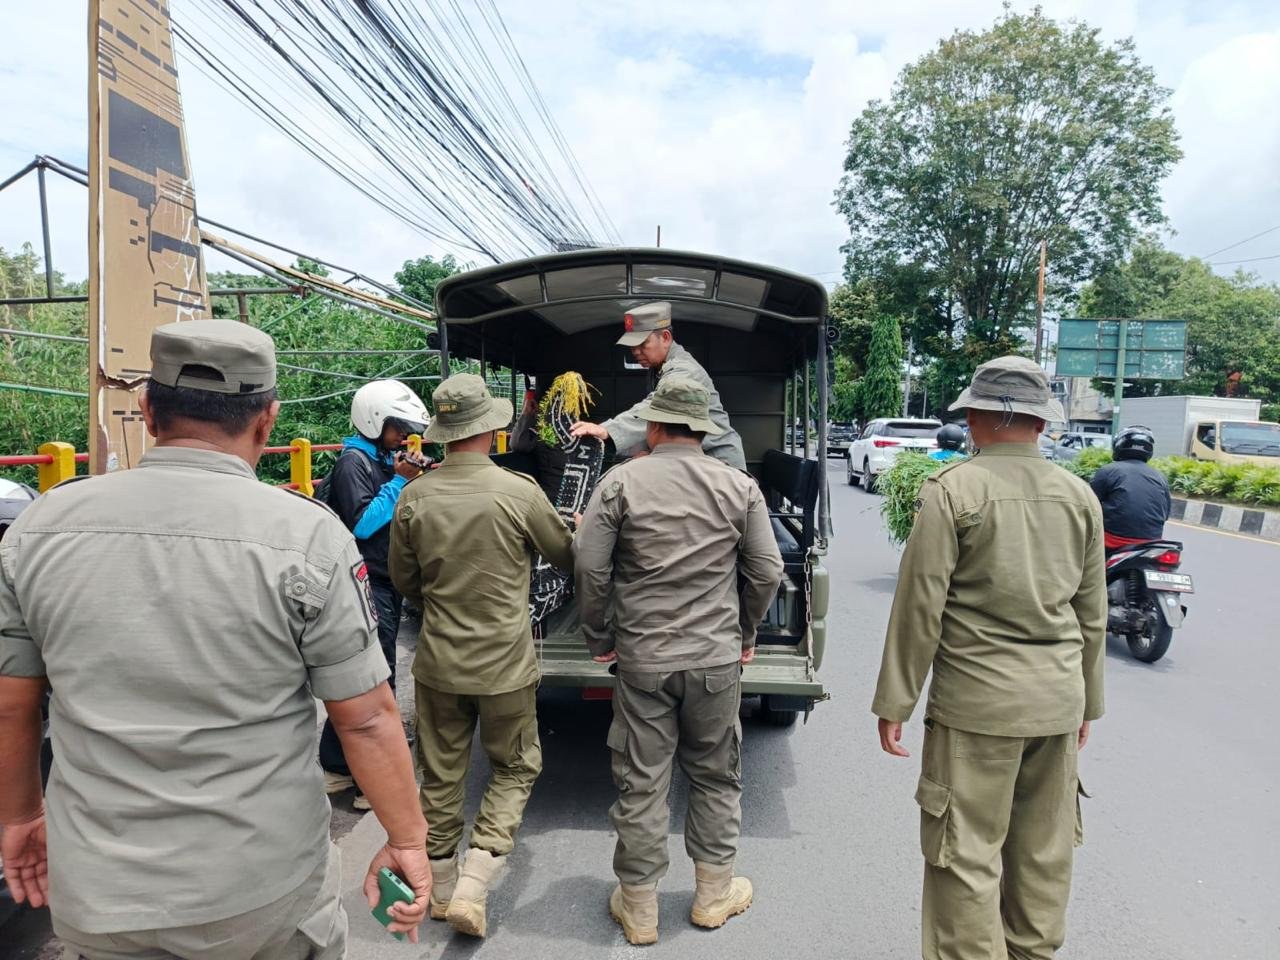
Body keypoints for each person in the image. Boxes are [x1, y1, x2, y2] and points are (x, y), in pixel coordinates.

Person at [0, 320, 430, 958]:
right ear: (267, 422)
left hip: (96, 889)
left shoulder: (37, 528)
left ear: (148, 410)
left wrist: (21, 818)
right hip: (260, 892)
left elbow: (12, 706)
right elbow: (366, 719)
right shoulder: (308, 537)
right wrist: (407, 840)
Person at [871, 355, 1106, 960]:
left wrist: (896, 701)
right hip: (1057, 703)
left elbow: (920, 606)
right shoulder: (1079, 495)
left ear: (976, 417)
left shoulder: (953, 490)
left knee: (965, 853)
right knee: (1044, 853)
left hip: (977, 708)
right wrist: (1088, 704)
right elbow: (1091, 614)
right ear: (1041, 423)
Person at [574, 376, 784, 946]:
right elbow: (767, 571)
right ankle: (713, 897)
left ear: (654, 427)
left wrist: (599, 636)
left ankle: (639, 909)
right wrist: (744, 632)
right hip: (715, 659)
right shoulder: (739, 486)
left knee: (642, 781)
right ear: (703, 430)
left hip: (642, 660)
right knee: (715, 775)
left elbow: (589, 566)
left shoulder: (620, 483)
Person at [389, 373, 575, 939]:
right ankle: (477, 878)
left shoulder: (414, 496)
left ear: (444, 433)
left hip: (438, 664)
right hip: (504, 666)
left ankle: (441, 887)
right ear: (492, 430)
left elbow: (405, 581)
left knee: (441, 773)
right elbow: (566, 557)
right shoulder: (520, 492)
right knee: (516, 765)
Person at [320, 378, 430, 809]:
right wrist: (399, 481)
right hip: (365, 582)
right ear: (374, 421)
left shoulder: (379, 458)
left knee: (368, 675)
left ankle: (337, 767)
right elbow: (363, 523)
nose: (403, 437)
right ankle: (372, 781)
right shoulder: (353, 463)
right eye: (397, 428)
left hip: (384, 580)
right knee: (376, 677)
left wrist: (415, 472)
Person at [569, 301, 747, 469]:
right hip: (695, 460)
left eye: (642, 344)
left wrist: (606, 430)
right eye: (632, 346)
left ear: (666, 338)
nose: (635, 352)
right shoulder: (658, 368)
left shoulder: (684, 369)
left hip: (719, 462)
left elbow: (655, 407)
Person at [1090, 424, 1172, 551]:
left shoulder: (1107, 471)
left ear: (1119, 445)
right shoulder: (1160, 477)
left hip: (1112, 541)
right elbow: (1166, 514)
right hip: (1151, 544)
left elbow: (1088, 506)